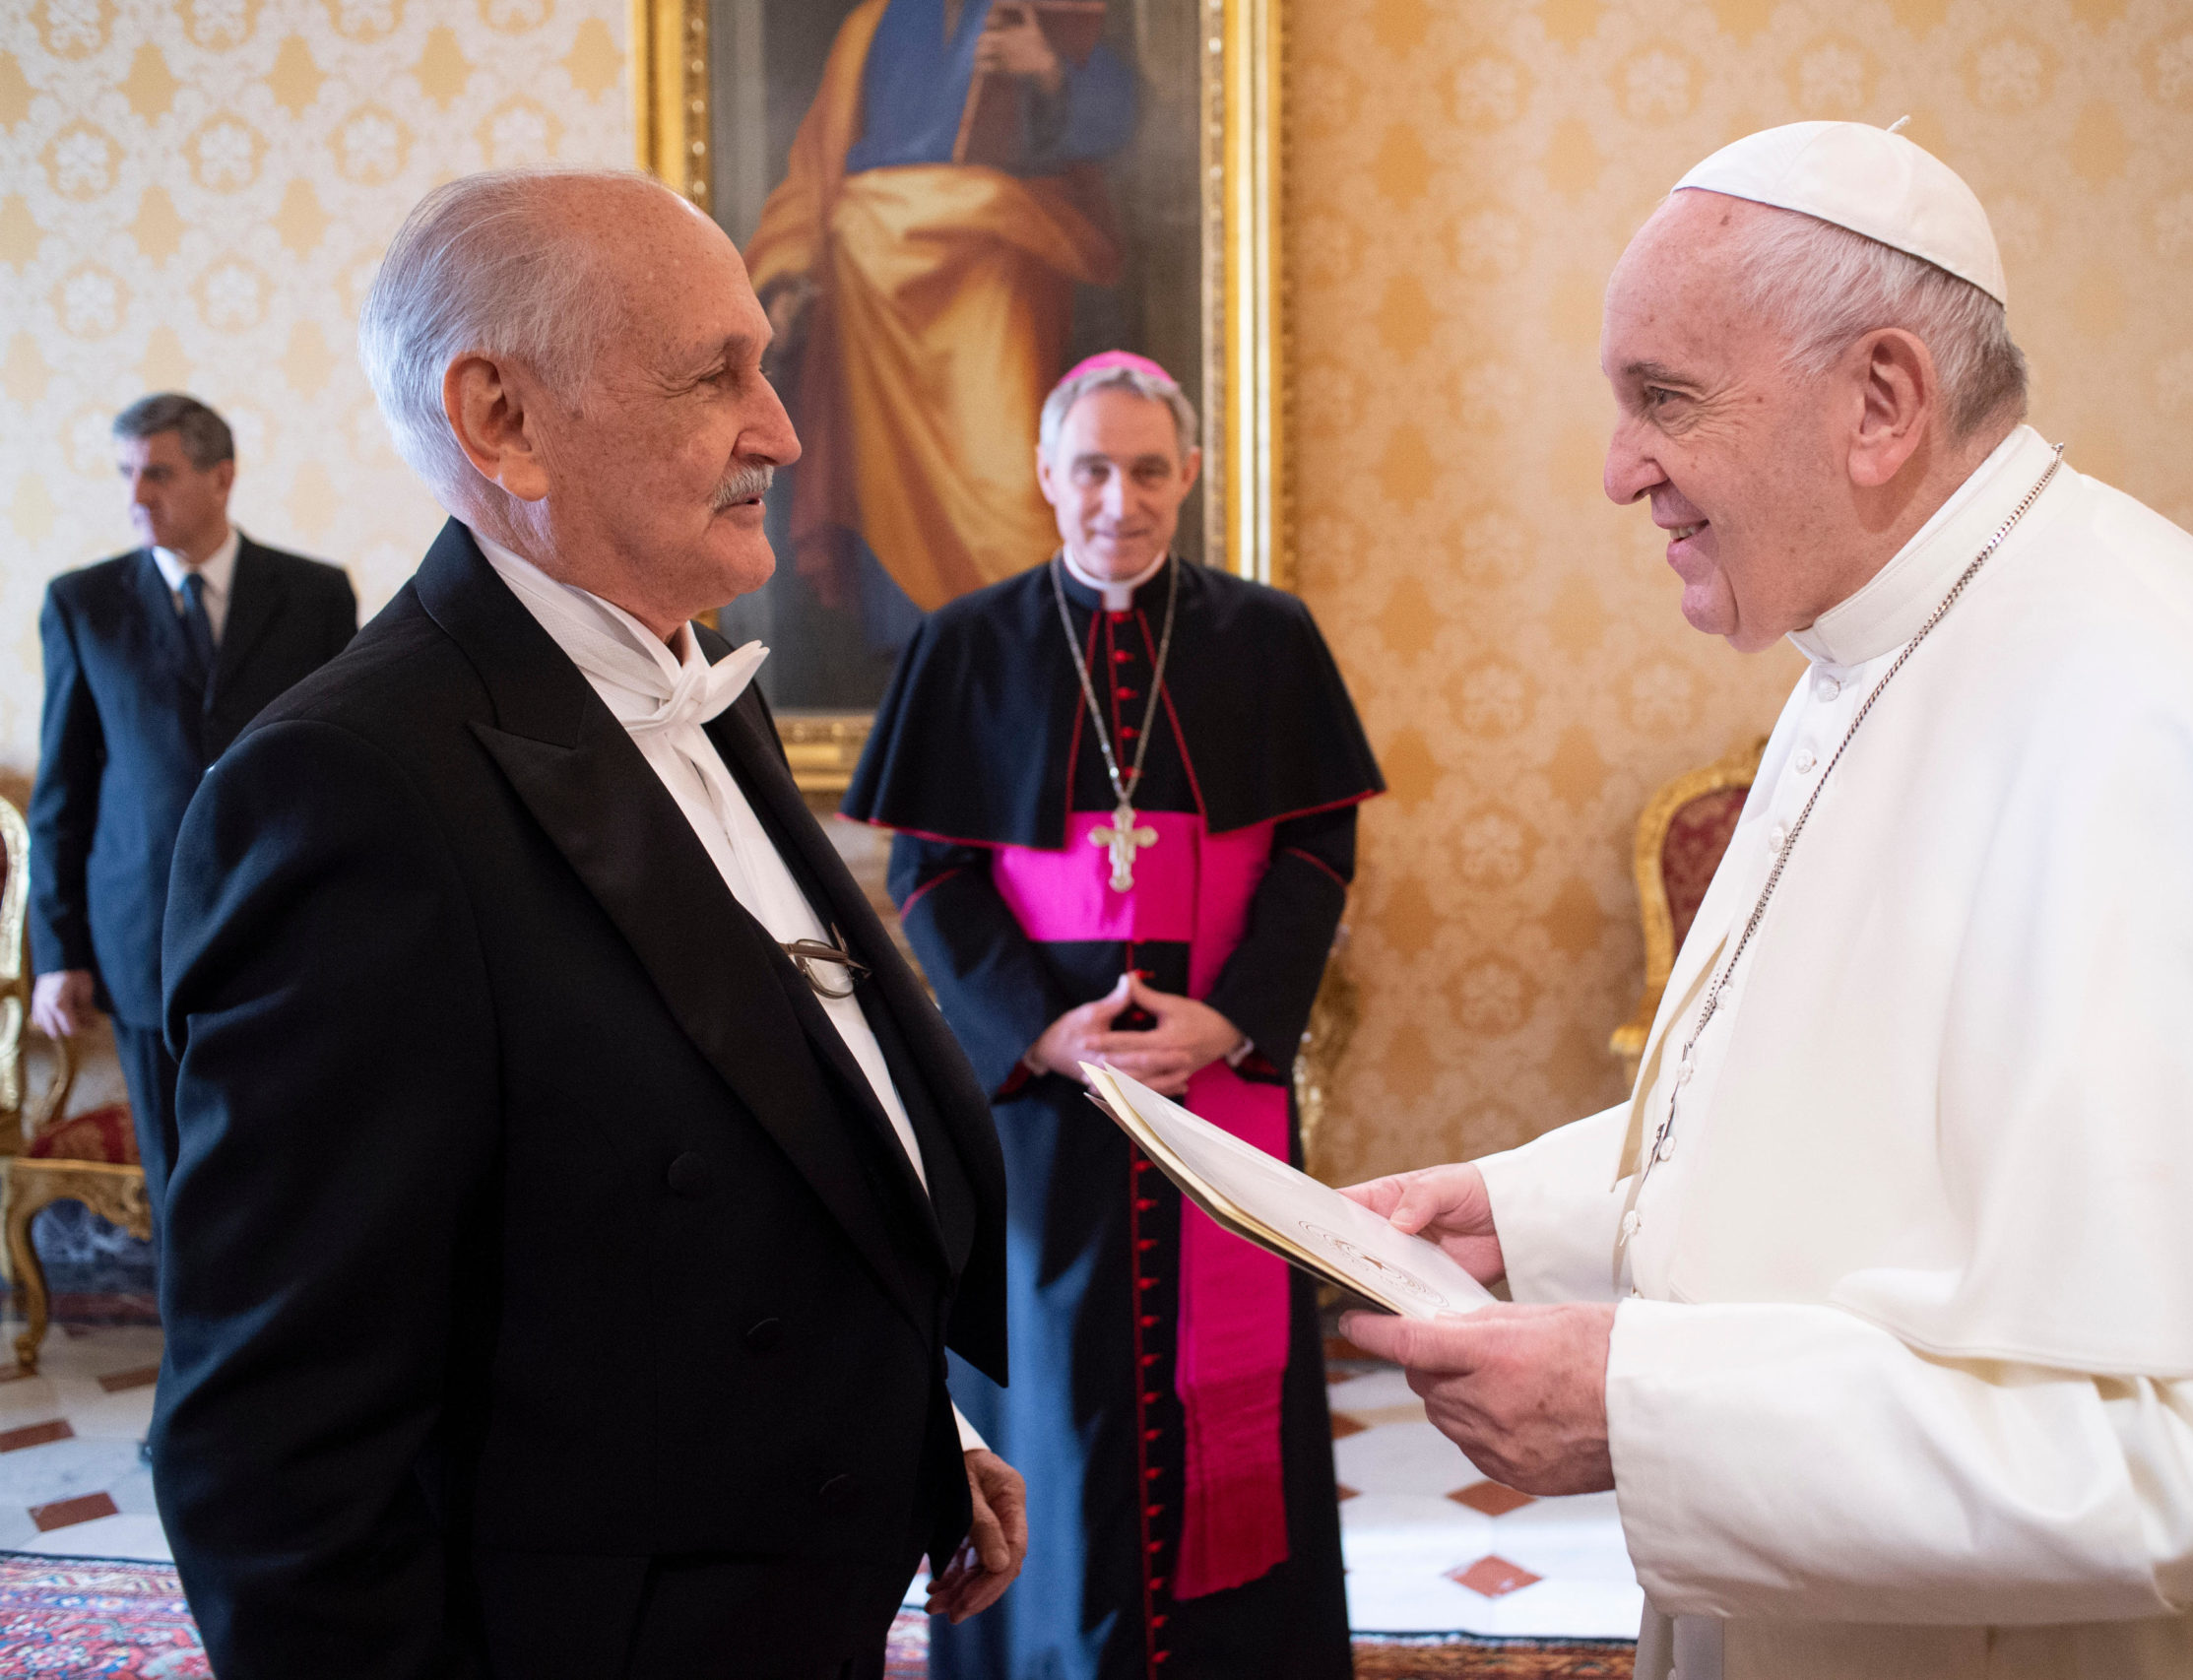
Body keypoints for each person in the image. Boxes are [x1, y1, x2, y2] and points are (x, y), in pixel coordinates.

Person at [1341, 122, 2193, 1678]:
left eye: (1665, 399)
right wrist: (1525, 1213)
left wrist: (1642, 1412)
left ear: (1882, 402)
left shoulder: (2148, 727)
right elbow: (1851, 1120)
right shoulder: (1881, 639)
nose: (1619, 469)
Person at [153, 168, 1025, 1678]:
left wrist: (911, 1420)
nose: (783, 430)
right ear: (502, 418)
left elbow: (742, 1180)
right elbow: (276, 1451)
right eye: (716, 376)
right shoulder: (347, 793)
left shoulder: (686, 678)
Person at [844, 351, 1377, 1678]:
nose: (1118, 500)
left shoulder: (1269, 637)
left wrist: (1233, 1020)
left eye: (1147, 471)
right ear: (1047, 473)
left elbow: (1316, 850)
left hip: (1219, 1095)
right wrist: (1041, 1029)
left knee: (1228, 1394)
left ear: (1187, 474)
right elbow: (931, 872)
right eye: (1091, 469)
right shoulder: (968, 643)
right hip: (1044, 1108)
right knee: (1050, 1390)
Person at [29, 393, 355, 1206]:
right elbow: (64, 790)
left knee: (290, 1168)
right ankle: (185, 1301)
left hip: (282, 924)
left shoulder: (315, 596)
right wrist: (59, 952)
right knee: (176, 1178)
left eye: (159, 474)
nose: (136, 497)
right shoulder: (83, 604)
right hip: (141, 933)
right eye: (127, 474)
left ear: (222, 477)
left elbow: (344, 773)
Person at [746, 0, 1137, 617]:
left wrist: (1046, 70)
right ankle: (914, 645)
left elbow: (1123, 123)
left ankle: (1035, 633)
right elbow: (815, 171)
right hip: (874, 304)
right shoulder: (871, 26)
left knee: (1006, 481)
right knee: (892, 491)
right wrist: (786, 278)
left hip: (990, 280)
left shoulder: (1042, 9)